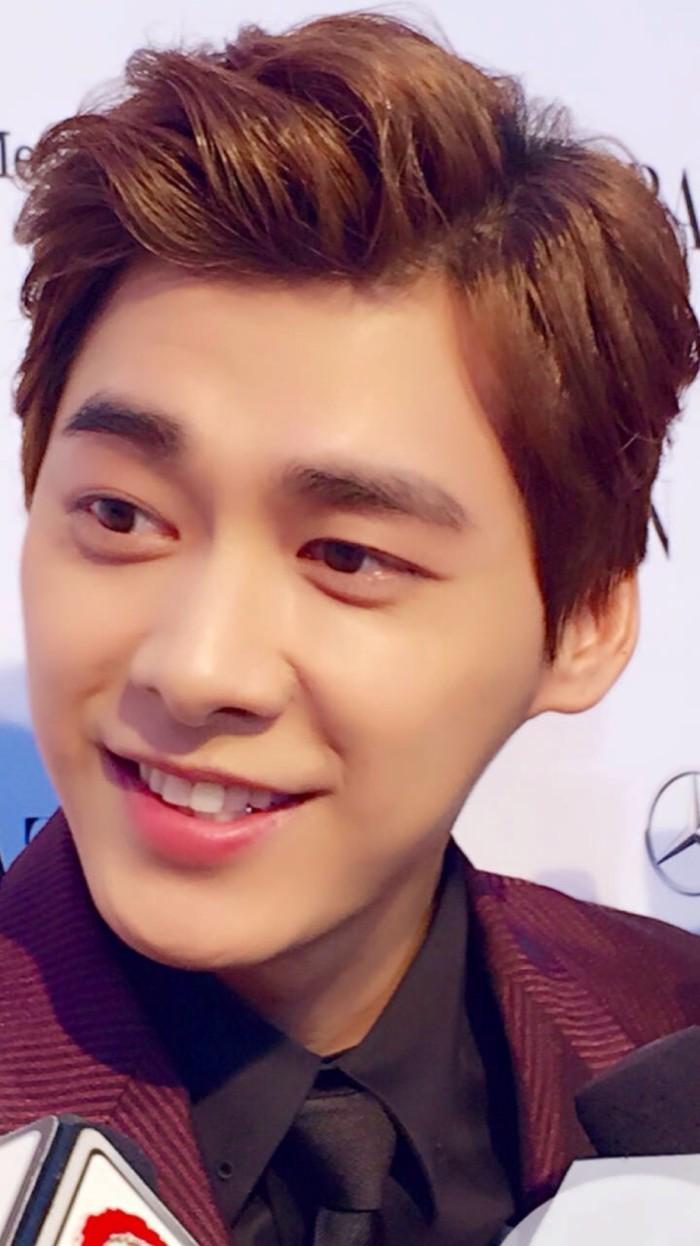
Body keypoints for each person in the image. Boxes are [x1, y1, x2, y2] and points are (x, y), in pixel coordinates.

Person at [1, 11, 698, 1246]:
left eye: (348, 557)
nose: (195, 667)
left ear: (582, 620)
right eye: (120, 514)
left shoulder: (668, 1035)